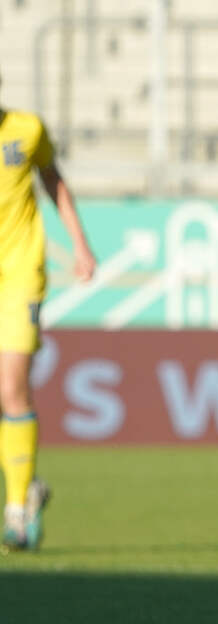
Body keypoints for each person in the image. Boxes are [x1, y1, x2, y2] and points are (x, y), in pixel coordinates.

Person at [0, 76, 97, 552]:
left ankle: (17, 509)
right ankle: (29, 488)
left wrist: (79, 244)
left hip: (18, 275)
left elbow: (53, 180)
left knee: (10, 386)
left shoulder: (26, 129)